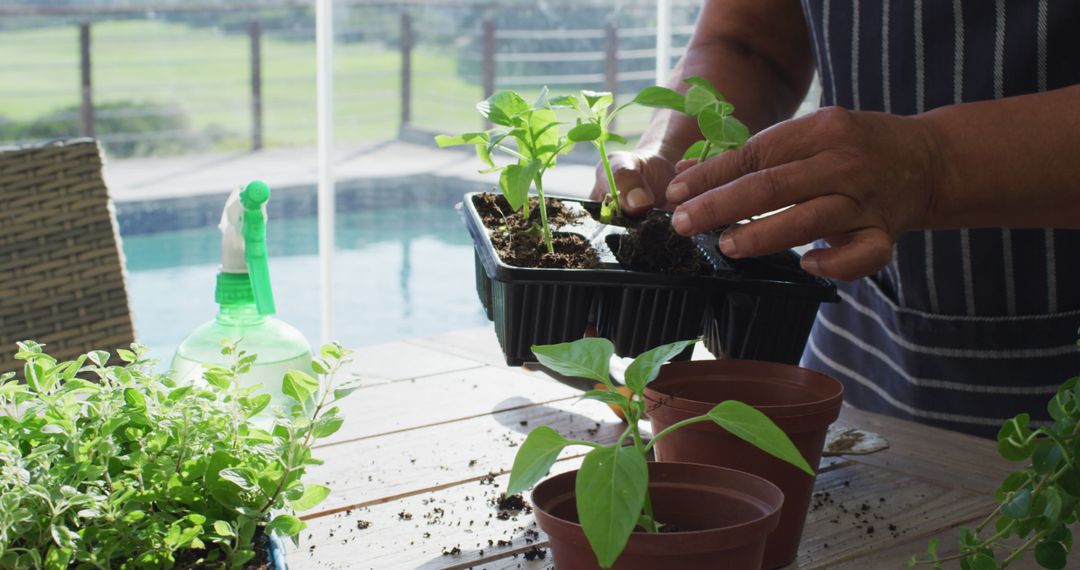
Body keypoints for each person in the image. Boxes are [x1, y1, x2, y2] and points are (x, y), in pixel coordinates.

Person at [594, 0, 1080, 437]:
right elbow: (749, 41)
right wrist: (667, 163)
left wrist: (934, 164)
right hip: (852, 360)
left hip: (1058, 412)